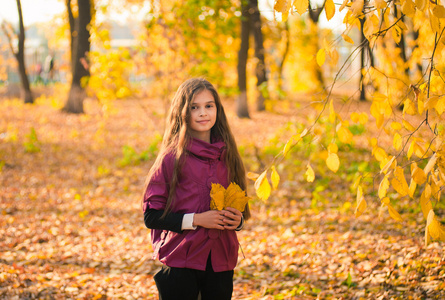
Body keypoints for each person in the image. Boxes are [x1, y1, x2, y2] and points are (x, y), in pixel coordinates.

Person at [142, 78, 251, 300]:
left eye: (209, 106)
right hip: (182, 260)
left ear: (217, 110)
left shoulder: (227, 155)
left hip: (221, 261)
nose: (203, 113)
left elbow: (241, 212)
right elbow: (151, 216)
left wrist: (236, 221)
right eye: (194, 107)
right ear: (182, 112)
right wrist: (197, 220)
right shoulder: (171, 158)